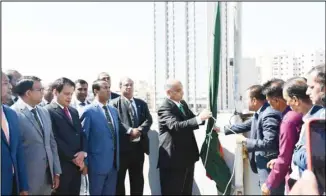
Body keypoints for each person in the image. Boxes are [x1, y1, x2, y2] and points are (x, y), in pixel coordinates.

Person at [219, 85, 283, 195]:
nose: (244, 102)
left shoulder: (269, 113)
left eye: (245, 99)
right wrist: (221, 129)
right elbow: (245, 126)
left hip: (268, 166)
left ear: (254, 100)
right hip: (262, 165)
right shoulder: (261, 112)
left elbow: (270, 143)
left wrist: (245, 141)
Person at [157, 79, 211, 195]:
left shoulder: (183, 104)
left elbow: (193, 120)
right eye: (178, 90)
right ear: (168, 93)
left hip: (187, 157)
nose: (182, 93)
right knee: (173, 191)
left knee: (186, 191)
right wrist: (199, 118)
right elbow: (175, 126)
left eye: (182, 89)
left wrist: (206, 119)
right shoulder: (164, 107)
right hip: (173, 160)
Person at [11, 76, 61, 195]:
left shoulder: (43, 111)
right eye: (40, 90)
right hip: (27, 181)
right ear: (28, 93)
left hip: (47, 178)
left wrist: (56, 171)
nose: (43, 92)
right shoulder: (13, 113)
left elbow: (51, 142)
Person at [111, 77, 153, 195]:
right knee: (120, 181)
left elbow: (148, 120)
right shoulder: (113, 104)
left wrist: (139, 130)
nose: (129, 87)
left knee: (138, 180)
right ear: (120, 88)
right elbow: (116, 122)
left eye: (131, 85)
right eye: (126, 85)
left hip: (139, 149)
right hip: (122, 150)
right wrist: (130, 131)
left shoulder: (141, 103)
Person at [260, 79, 303, 195]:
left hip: (297, 179)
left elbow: (284, 158)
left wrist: (269, 184)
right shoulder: (300, 113)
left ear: (276, 100)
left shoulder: (289, 120)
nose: (270, 105)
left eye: (269, 102)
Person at [45, 77, 87, 195]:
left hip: (77, 167)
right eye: (66, 94)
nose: (69, 97)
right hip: (62, 167)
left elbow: (81, 133)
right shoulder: (47, 111)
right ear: (55, 92)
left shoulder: (73, 111)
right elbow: (54, 138)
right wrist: (74, 157)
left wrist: (83, 152)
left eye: (71, 94)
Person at [81, 79, 123, 195]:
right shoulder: (88, 111)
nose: (109, 90)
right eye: (105, 88)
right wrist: (85, 162)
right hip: (96, 165)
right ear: (96, 91)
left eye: (109, 88)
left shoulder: (113, 111)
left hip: (113, 165)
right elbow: (84, 137)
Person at [283, 77, 324, 187]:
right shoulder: (307, 117)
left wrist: (296, 154)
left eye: (287, 100)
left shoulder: (318, 119)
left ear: (295, 100)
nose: (287, 104)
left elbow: (315, 158)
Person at [1, 72, 29, 195]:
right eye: (6, 83)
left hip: (12, 185)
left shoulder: (11, 114)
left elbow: (18, 151)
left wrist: (23, 186)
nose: (11, 87)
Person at [69, 79, 91, 195]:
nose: (83, 92)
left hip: (88, 153)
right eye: (79, 89)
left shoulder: (92, 106)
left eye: (85, 89)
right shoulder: (69, 107)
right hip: (73, 156)